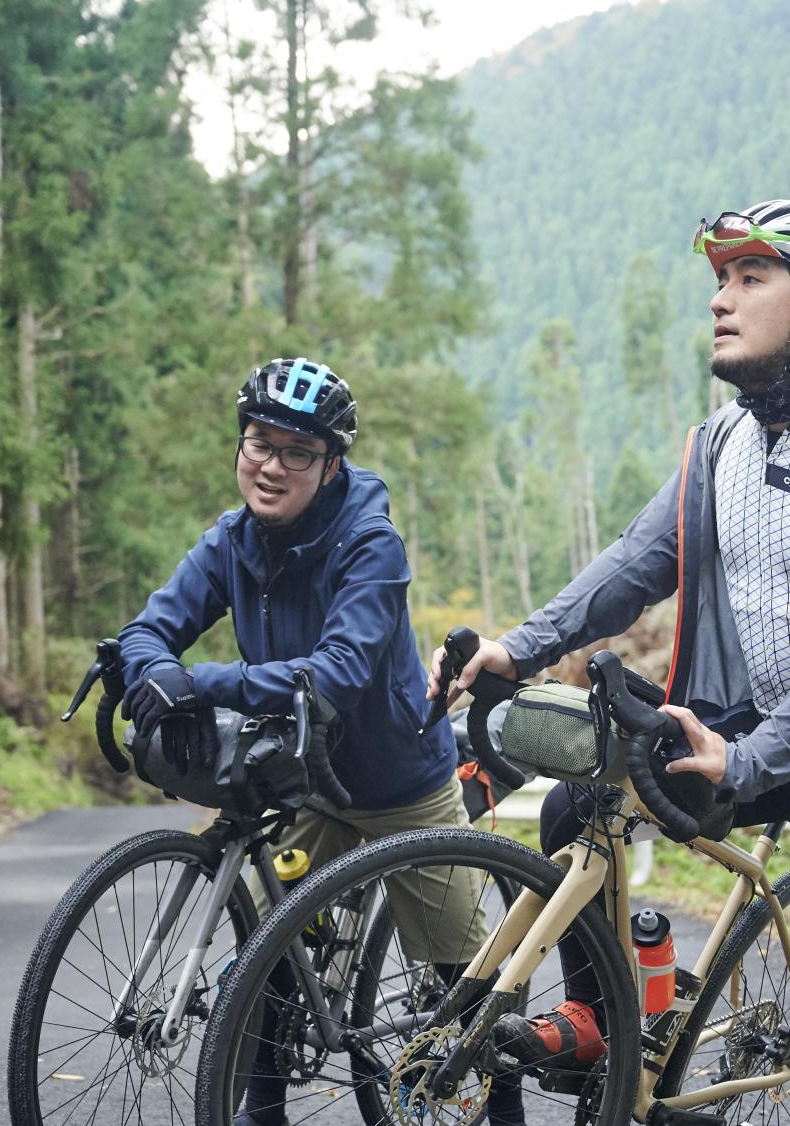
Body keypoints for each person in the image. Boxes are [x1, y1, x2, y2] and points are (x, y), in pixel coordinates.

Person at [430, 201, 790, 1125]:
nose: (721, 300)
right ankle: (607, 1020)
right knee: (580, 803)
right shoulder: (718, 442)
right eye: (719, 280)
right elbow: (633, 564)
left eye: (750, 278)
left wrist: (752, 759)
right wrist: (517, 646)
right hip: (754, 729)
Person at [117, 357, 521, 1126]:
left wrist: (199, 682)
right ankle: (260, 1111)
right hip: (297, 774)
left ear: (332, 464)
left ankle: (507, 1112)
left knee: (463, 976)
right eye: (257, 443)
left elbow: (334, 675)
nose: (269, 466)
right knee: (273, 951)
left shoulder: (369, 543)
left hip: (396, 780)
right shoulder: (231, 542)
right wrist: (152, 668)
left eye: (296, 452)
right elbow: (147, 630)